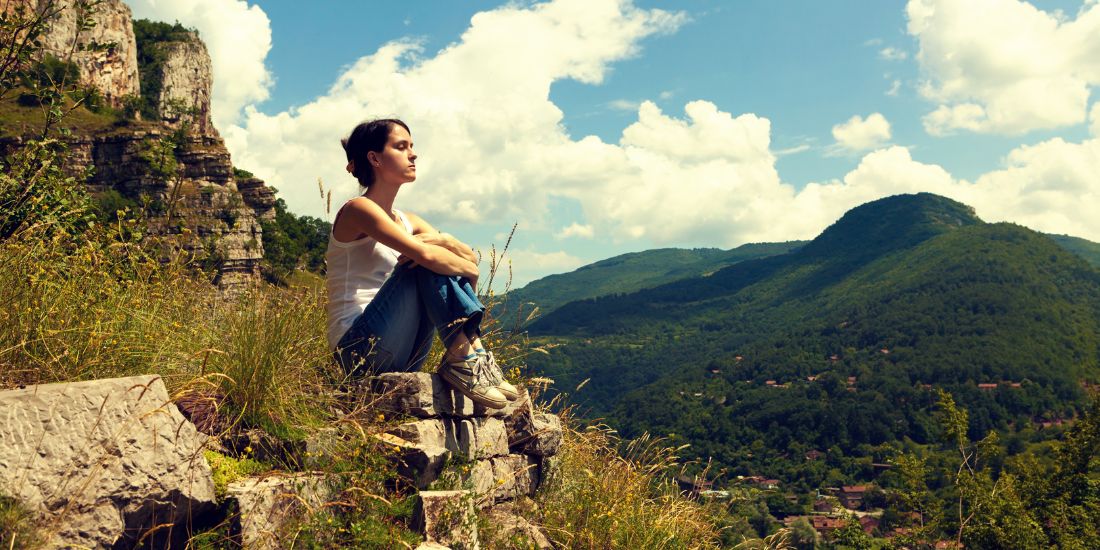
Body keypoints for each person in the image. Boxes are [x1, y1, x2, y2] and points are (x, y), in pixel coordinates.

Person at [326, 118, 518, 409]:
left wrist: (447, 241)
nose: (413, 154)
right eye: (401, 147)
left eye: (412, 147)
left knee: (430, 255)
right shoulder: (359, 209)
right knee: (422, 261)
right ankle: (463, 354)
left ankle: (471, 354)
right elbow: (440, 260)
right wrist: (465, 266)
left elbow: (465, 256)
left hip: (406, 346)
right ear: (374, 158)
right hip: (358, 349)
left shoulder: (407, 220)